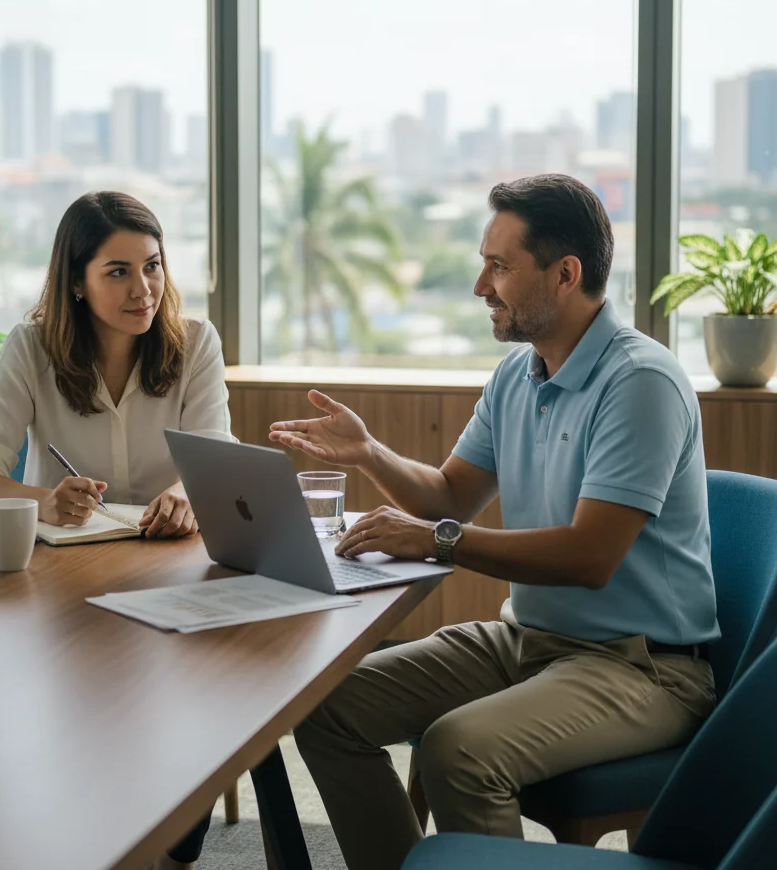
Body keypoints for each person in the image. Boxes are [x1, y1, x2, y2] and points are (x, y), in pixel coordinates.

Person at [269, 173, 719, 870]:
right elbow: (449, 495)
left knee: (459, 747)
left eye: (499, 266)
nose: (481, 285)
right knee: (328, 706)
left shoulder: (641, 383)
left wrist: (440, 542)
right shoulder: (520, 374)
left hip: (642, 668)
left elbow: (588, 557)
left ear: (565, 274)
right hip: (528, 639)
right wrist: (369, 452)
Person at [0, 190, 232, 870]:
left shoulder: (194, 343)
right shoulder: (31, 346)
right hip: (67, 590)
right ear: (75, 281)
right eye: (118, 271)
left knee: (203, 715)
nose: (144, 289)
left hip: (176, 578)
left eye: (154, 266)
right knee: (70, 727)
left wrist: (182, 494)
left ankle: (171, 849)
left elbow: (214, 457)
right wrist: (44, 500)